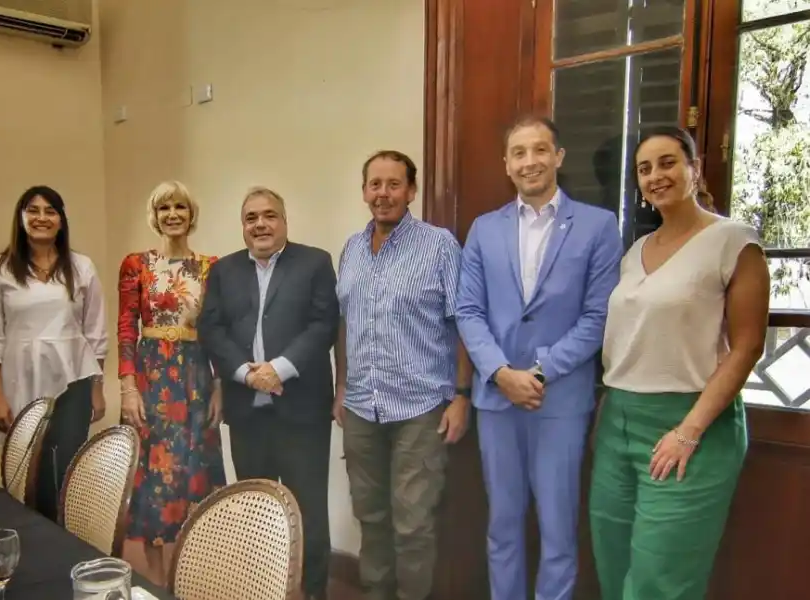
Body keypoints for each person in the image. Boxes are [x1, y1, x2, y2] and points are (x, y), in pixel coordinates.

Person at [591, 126, 769, 600]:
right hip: (618, 422)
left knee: (661, 581)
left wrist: (689, 431)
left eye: (668, 162)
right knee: (612, 561)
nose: (656, 175)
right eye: (644, 169)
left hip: (690, 424)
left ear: (695, 168)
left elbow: (748, 346)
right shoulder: (635, 252)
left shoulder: (734, 241)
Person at [456, 116, 623, 600]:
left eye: (540, 150)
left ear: (558, 157)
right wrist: (500, 372)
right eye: (519, 153)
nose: (529, 161)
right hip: (497, 400)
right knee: (502, 524)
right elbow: (468, 310)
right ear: (506, 165)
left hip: (560, 400)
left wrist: (540, 371)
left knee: (557, 528)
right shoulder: (484, 229)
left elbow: (598, 316)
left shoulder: (597, 226)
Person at [334, 150, 472, 600]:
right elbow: (344, 323)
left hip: (420, 409)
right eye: (375, 184)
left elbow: (463, 322)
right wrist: (341, 387)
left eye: (394, 184)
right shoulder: (352, 249)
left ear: (411, 191)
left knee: (413, 524)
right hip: (361, 407)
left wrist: (462, 395)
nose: (383, 193)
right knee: (370, 517)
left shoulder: (439, 246)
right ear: (364, 192)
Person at [198, 186, 338, 600]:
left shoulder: (315, 263)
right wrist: (246, 374)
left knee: (308, 513)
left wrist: (278, 369)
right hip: (247, 413)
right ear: (243, 226)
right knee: (255, 513)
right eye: (251, 218)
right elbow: (211, 329)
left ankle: (312, 594)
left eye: (269, 215)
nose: (260, 224)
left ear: (284, 221)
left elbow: (324, 325)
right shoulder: (223, 271)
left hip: (302, 412)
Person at [0, 185, 108, 522]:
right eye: (33, 210)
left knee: (64, 474)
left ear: (61, 221)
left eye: (50, 211)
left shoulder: (81, 267)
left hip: (74, 383)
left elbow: (95, 333)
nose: (42, 218)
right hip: (19, 381)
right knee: (25, 474)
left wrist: (96, 389)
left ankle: (63, 543)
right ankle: (27, 542)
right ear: (21, 218)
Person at [117, 180, 226, 587]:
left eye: (180, 206)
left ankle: (195, 577)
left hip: (196, 378)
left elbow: (218, 331)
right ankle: (159, 582)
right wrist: (128, 388)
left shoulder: (212, 267)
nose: (173, 214)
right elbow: (126, 328)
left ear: (191, 214)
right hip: (152, 379)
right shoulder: (136, 264)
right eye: (164, 208)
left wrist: (220, 386)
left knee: (194, 471)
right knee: (154, 479)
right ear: (155, 215)